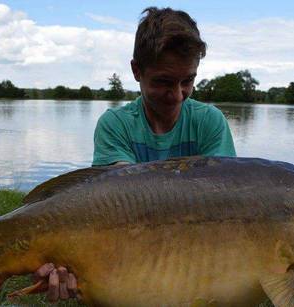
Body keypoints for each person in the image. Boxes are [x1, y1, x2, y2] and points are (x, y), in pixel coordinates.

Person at [33, 7, 236, 302]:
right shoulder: (115, 124)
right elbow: (124, 200)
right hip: (126, 245)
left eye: (187, 81)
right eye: (164, 82)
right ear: (136, 71)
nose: (177, 94)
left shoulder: (210, 121)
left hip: (191, 251)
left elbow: (223, 202)